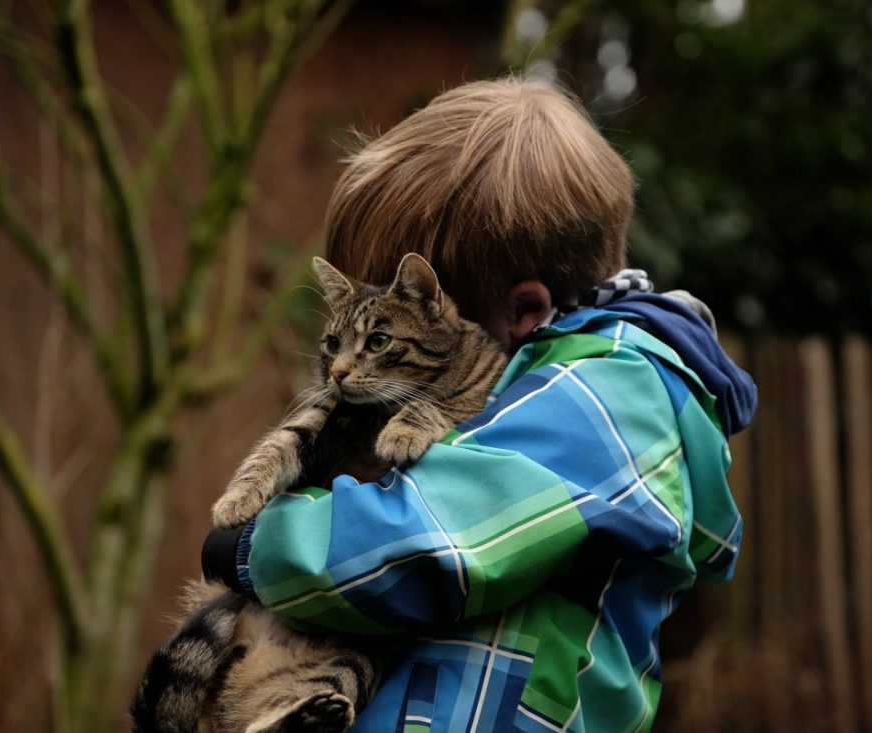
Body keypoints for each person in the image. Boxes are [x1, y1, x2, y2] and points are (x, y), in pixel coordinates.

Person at [202, 77, 757, 732]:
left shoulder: (610, 395)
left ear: (524, 312)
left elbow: (424, 544)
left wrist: (250, 545)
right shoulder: (551, 392)